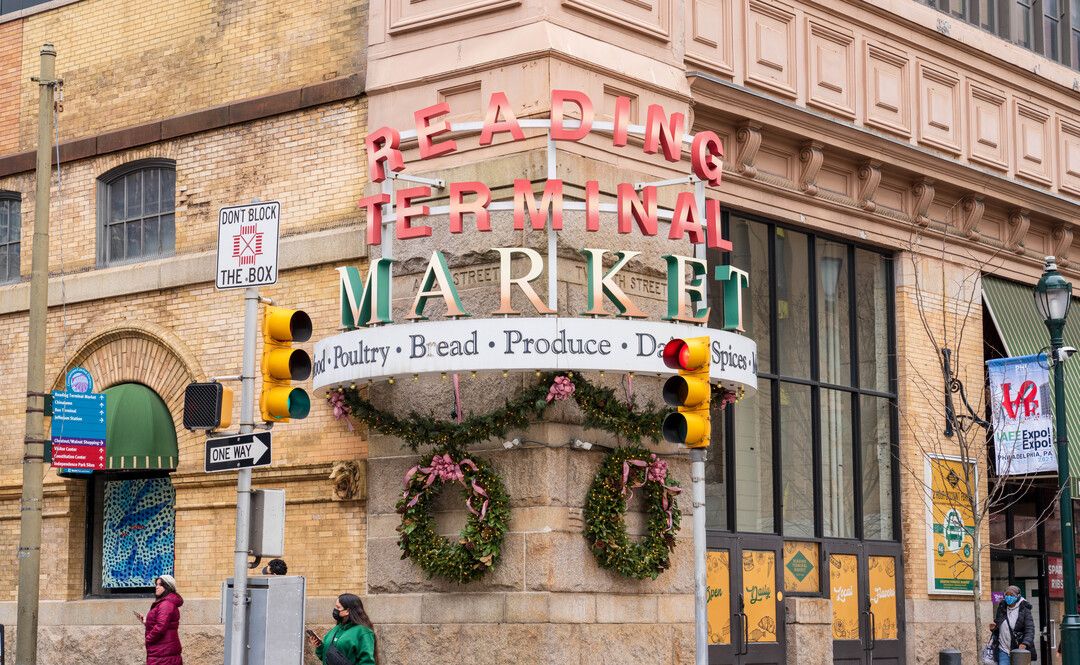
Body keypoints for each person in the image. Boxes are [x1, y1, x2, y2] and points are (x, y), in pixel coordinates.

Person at [307, 593, 377, 665]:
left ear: (347, 611)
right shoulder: (336, 629)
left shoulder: (363, 632)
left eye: (338, 607)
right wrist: (319, 647)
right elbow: (327, 658)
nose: (335, 610)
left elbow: (367, 662)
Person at [134, 574, 184, 665]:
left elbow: (160, 627)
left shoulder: (166, 604)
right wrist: (146, 622)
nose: (156, 587)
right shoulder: (165, 603)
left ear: (168, 587)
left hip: (163, 653)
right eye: (156, 584)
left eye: (160, 585)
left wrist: (148, 639)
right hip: (163, 651)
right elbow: (162, 623)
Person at [988, 585, 1035, 665]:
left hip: (1018, 649)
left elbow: (1030, 629)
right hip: (1003, 649)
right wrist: (994, 628)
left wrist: (1024, 643)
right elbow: (999, 626)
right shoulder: (1002, 607)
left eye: (1011, 595)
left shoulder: (1024, 609)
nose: (1008, 597)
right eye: (1007, 595)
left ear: (1017, 596)